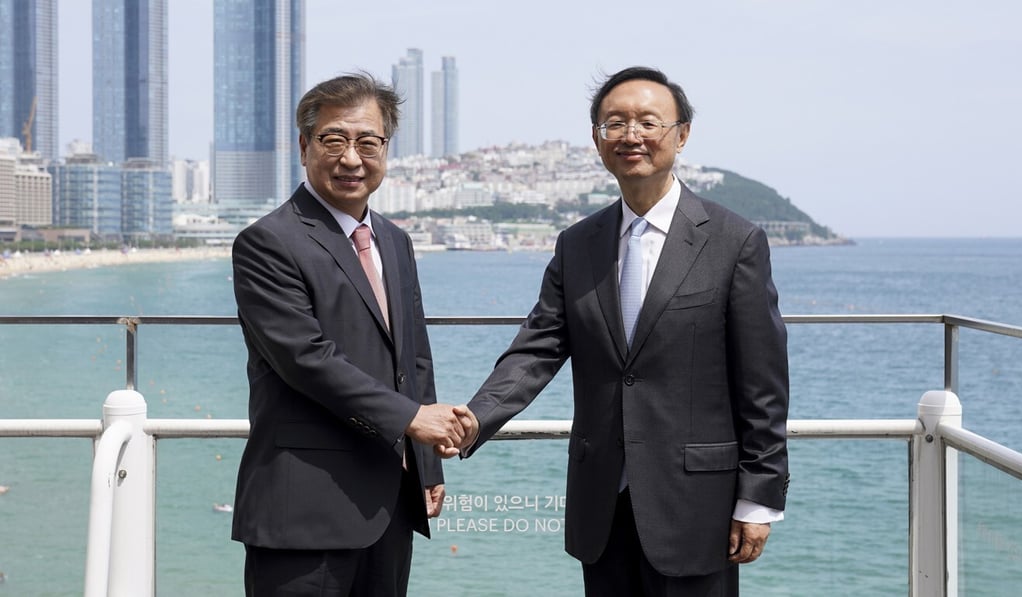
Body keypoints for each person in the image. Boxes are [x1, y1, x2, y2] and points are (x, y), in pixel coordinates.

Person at [453, 66, 790, 596]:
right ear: (596, 140)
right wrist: (472, 419)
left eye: (648, 122)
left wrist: (759, 497)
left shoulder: (734, 241)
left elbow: (763, 384)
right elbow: (538, 348)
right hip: (601, 500)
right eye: (615, 123)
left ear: (682, 134)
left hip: (697, 504)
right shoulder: (577, 243)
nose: (631, 135)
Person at [230, 73, 469, 596]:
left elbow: (414, 360)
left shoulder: (395, 240)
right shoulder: (268, 242)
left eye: (368, 142)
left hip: (390, 502)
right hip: (304, 508)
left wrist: (426, 464)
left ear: (386, 150)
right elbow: (305, 359)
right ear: (303, 147)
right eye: (333, 139)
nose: (351, 158)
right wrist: (412, 418)